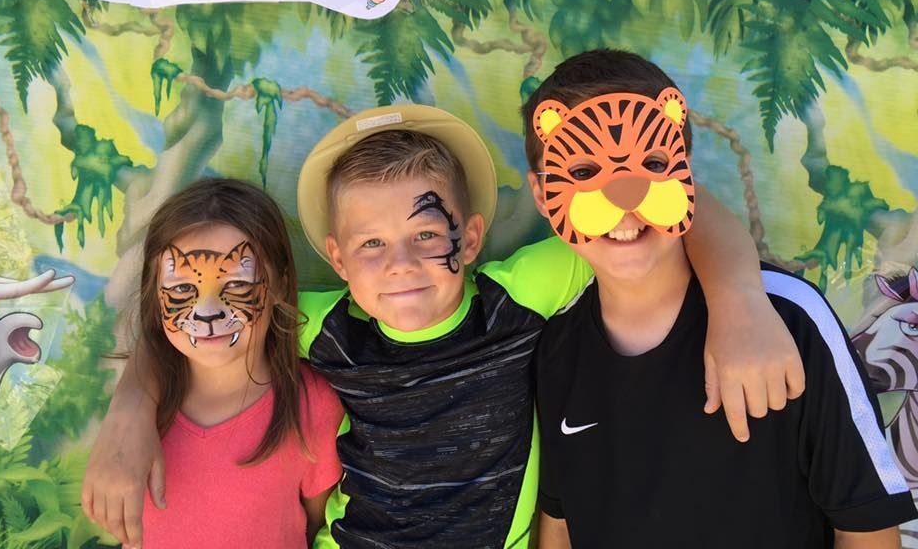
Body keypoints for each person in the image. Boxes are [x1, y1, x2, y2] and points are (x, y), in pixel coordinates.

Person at [82, 105, 804, 549]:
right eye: (370, 246)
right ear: (336, 258)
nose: (400, 265)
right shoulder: (322, 328)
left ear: (472, 233)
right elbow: (209, 328)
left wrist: (740, 297)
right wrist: (130, 411)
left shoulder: (521, 295)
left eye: (427, 235)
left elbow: (664, 202)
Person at [525, 49, 917, 548]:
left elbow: (867, 528)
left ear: (686, 172)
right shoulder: (554, 348)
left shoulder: (791, 320)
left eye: (654, 162)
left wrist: (740, 301)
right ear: (541, 195)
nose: (625, 197)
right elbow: (557, 523)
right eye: (583, 172)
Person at [122, 178, 343, 548]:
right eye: (181, 289)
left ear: (280, 287)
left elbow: (314, 528)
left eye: (238, 285)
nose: (207, 311)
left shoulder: (314, 403)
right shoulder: (141, 411)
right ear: (153, 292)